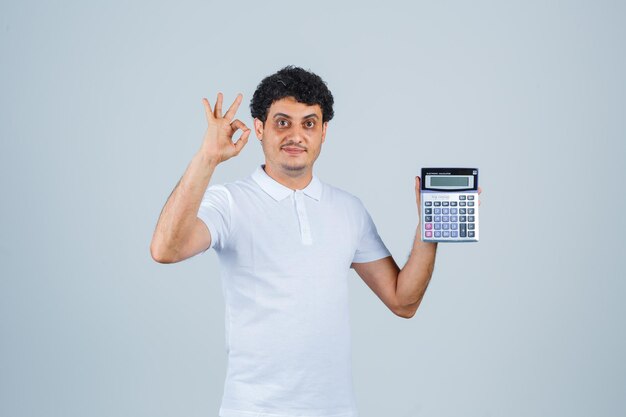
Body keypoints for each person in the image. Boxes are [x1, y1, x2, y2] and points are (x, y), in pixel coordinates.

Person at [150, 66, 481, 417]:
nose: (296, 135)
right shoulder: (229, 202)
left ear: (324, 132)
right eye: (282, 122)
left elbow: (403, 301)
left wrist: (428, 230)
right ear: (259, 128)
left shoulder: (348, 209)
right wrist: (208, 158)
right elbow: (166, 250)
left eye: (308, 123)